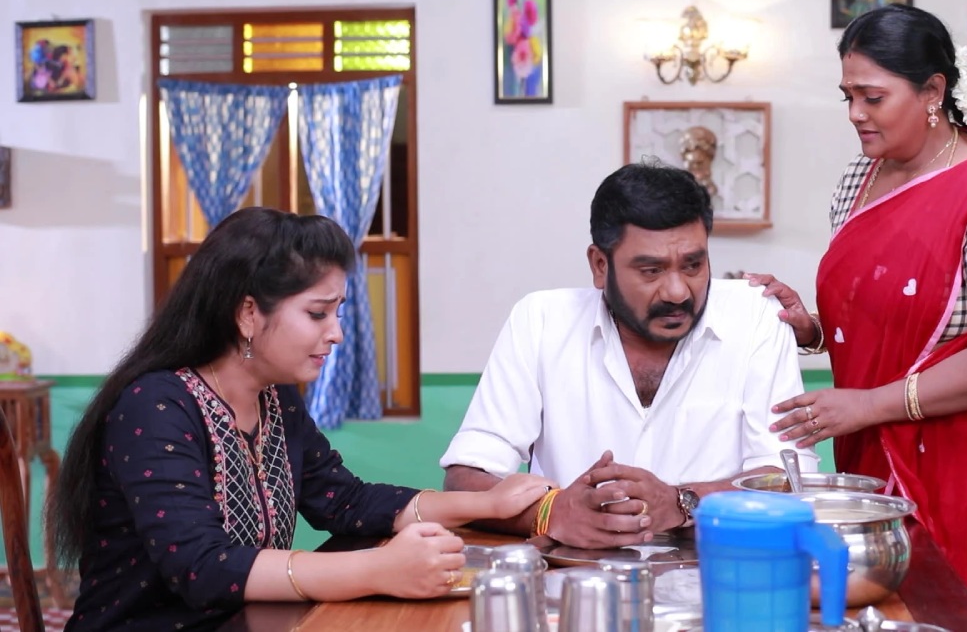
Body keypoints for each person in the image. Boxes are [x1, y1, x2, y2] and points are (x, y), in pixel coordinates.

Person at [751, 4, 967, 631]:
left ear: (933, 91)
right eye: (848, 96)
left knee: (954, 613)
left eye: (873, 97)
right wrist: (811, 326)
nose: (855, 113)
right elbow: (892, 312)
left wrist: (867, 404)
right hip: (870, 448)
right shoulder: (860, 180)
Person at [50, 207, 551, 631]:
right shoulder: (157, 406)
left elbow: (344, 501)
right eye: (317, 314)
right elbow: (202, 567)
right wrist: (377, 569)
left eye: (338, 312)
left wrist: (486, 502)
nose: (336, 334)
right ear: (248, 313)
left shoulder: (276, 398)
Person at [441, 162, 816, 549]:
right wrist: (553, 512)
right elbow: (467, 477)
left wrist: (682, 502)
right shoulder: (541, 321)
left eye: (693, 265)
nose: (677, 292)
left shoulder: (756, 316)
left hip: (720, 571)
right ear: (600, 265)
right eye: (651, 270)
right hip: (570, 577)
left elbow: (790, 481)